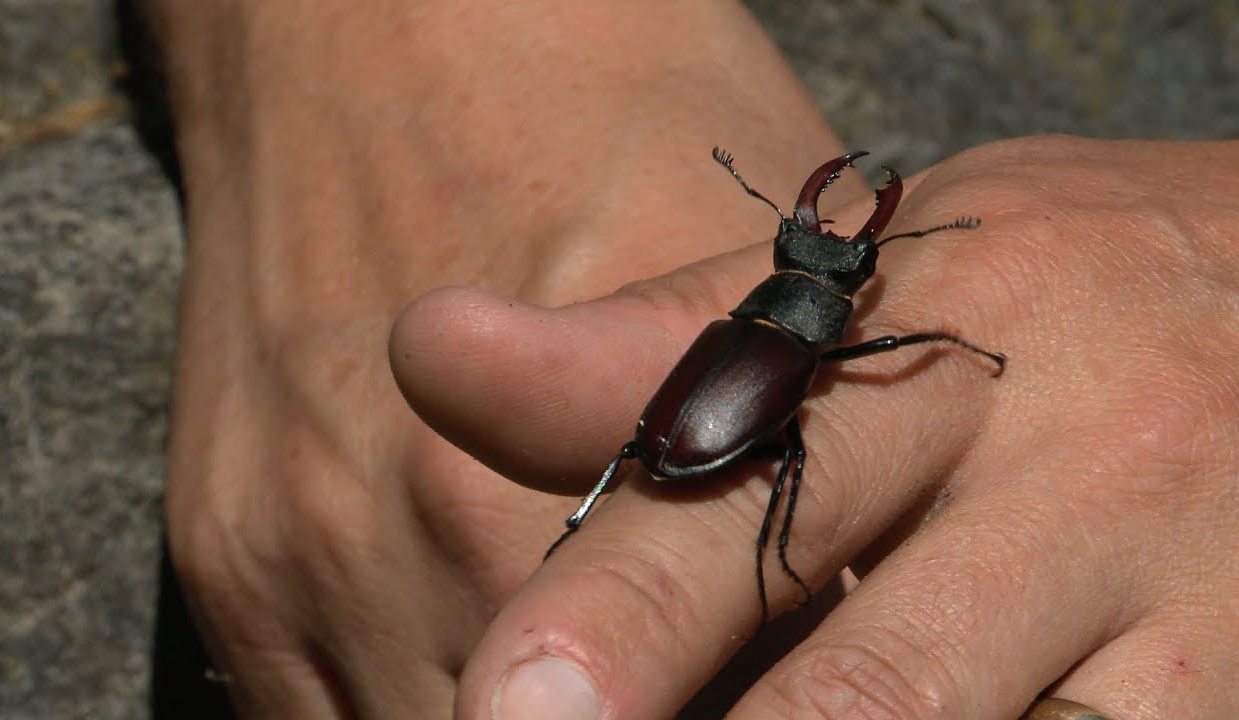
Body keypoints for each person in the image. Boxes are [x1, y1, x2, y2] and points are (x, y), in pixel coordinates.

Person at [146, 2, 1239, 718]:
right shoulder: (799, 343)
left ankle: (610, 530)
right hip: (714, 427)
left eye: (845, 263)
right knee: (784, 467)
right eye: (815, 255)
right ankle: (658, 537)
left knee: (697, 456)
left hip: (695, 424)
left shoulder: (744, 336)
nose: (829, 254)